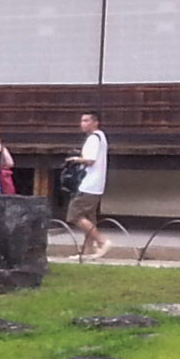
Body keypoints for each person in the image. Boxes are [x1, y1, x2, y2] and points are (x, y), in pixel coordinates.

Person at [71, 111, 110, 259]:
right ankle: (87, 251)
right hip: (97, 184)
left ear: (96, 122)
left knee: (74, 214)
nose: (83, 124)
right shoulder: (101, 137)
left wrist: (75, 159)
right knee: (88, 217)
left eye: (87, 120)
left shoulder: (93, 139)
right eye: (82, 121)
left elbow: (90, 160)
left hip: (88, 184)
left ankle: (102, 241)